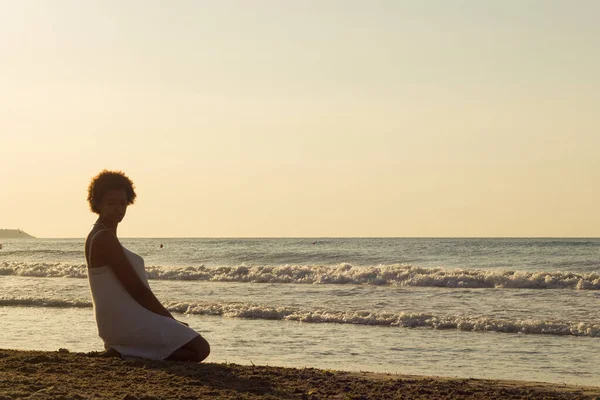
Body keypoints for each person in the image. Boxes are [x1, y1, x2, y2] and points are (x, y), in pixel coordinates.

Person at [84, 170, 210, 361]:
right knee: (200, 348)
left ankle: (125, 351)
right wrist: (169, 319)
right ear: (98, 203)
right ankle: (125, 352)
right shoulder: (103, 238)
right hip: (123, 321)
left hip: (121, 319)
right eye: (111, 203)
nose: (118, 209)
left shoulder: (103, 234)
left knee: (193, 344)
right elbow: (137, 290)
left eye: (122, 203)